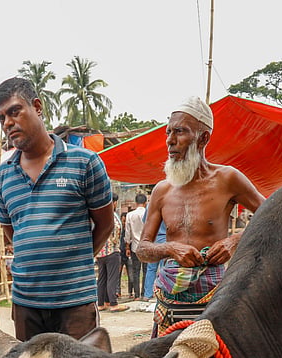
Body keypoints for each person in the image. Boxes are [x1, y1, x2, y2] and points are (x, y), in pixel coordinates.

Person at [0, 77, 115, 341]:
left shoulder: (84, 162)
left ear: (37, 106)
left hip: (76, 301)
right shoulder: (3, 175)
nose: (8, 123)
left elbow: (105, 225)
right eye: (1, 118)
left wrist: (75, 261)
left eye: (14, 111)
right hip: (26, 303)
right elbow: (13, 233)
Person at [137, 97, 266, 334]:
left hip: (215, 296)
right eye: (168, 132)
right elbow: (143, 250)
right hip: (169, 301)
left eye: (180, 132)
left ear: (203, 138)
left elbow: (271, 216)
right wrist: (171, 249)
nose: (170, 141)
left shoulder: (228, 179)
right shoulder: (161, 190)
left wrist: (234, 242)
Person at [96, 208, 126, 312]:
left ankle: (101, 303)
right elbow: (117, 228)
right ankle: (113, 303)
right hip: (112, 250)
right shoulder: (112, 215)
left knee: (102, 278)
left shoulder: (97, 215)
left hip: (100, 251)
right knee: (112, 278)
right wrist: (115, 241)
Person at [123, 192, 147, 299]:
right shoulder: (148, 213)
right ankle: (145, 293)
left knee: (136, 271)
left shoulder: (130, 215)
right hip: (147, 246)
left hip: (135, 247)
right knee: (146, 271)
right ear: (145, 203)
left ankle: (136, 294)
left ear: (136, 203)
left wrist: (127, 246)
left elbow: (127, 233)